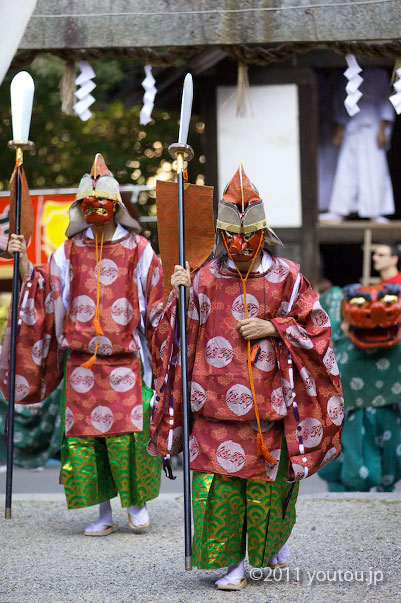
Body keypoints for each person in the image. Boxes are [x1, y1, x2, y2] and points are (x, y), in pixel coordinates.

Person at [150, 165, 343, 590]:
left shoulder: (288, 277)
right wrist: (176, 293)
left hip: (268, 407)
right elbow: (173, 335)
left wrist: (275, 327)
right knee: (217, 493)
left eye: (248, 237)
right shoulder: (202, 275)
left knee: (264, 495)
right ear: (219, 235)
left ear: (263, 233)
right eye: (230, 237)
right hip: (212, 404)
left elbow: (319, 328)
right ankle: (231, 562)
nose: (239, 246)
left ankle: (268, 546)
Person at [2, 154, 164, 535]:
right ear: (79, 207)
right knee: (86, 440)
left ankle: (136, 503)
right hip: (81, 363)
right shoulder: (69, 249)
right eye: (87, 203)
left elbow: (157, 300)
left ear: (116, 206)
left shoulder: (139, 249)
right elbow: (43, 287)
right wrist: (22, 257)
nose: (95, 209)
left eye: (102, 202)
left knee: (129, 435)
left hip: (125, 359)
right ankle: (103, 512)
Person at [319, 277, 401, 492]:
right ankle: (351, 494)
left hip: (389, 406)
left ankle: (383, 490)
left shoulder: (396, 340)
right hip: (352, 409)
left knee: (388, 457)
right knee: (354, 459)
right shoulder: (338, 334)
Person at [320, 67, 395, 223]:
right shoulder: (351, 71)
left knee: (374, 169)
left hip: (372, 128)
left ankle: (376, 212)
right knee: (346, 169)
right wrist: (339, 130)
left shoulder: (379, 73)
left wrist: (383, 129)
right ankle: (339, 211)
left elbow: (385, 100)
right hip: (351, 127)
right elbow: (343, 102)